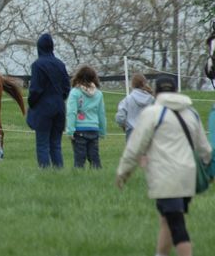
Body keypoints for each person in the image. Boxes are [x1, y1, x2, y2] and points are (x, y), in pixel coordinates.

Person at [116, 75, 211, 256]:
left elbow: (135, 147)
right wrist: (209, 170)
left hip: (165, 178)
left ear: (157, 93)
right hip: (187, 178)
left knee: (176, 225)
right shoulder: (191, 113)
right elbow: (205, 149)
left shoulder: (152, 113)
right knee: (167, 219)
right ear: (176, 91)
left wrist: (123, 172)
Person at [26, 33, 71, 168]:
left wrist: (31, 103)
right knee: (56, 144)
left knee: (42, 144)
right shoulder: (60, 64)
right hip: (59, 108)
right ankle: (58, 171)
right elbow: (66, 87)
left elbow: (35, 89)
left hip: (43, 108)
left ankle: (45, 172)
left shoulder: (37, 65)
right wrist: (59, 99)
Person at [66, 65, 106, 169]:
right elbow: (101, 113)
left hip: (79, 129)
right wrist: (102, 131)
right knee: (94, 157)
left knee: (79, 158)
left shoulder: (75, 92)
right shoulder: (98, 94)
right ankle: (98, 174)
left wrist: (70, 130)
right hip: (94, 128)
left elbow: (72, 112)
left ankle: (78, 176)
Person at [116, 73, 154, 141]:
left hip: (132, 131)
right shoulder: (152, 99)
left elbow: (120, 117)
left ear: (132, 84)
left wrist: (123, 125)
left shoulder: (128, 99)